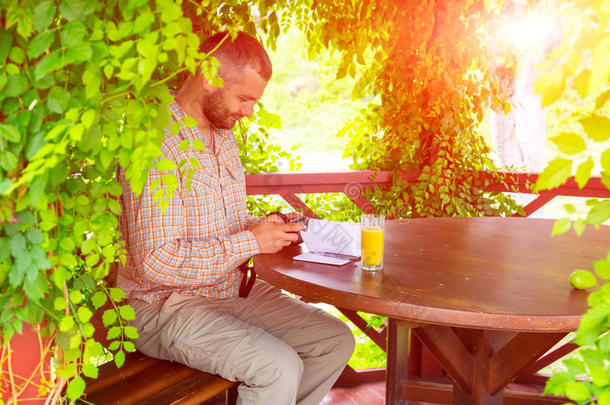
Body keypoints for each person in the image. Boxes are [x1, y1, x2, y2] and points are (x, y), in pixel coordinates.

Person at [117, 31, 355, 405]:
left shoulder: (222, 135)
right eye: (244, 98)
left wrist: (273, 225)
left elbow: (228, 221)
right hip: (163, 307)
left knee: (334, 340)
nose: (248, 111)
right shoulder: (152, 142)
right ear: (209, 74)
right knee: (278, 367)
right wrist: (251, 242)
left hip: (230, 290)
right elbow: (155, 261)